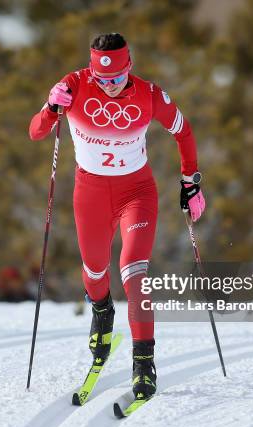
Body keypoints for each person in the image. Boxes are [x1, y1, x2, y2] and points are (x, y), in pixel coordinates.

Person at [28, 33, 205, 401]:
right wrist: (49, 107)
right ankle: (102, 310)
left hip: (136, 193)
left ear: (130, 67)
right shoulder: (73, 86)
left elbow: (183, 132)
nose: (111, 87)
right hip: (90, 195)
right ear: (93, 71)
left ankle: (144, 364)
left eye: (118, 78)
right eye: (103, 80)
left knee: (133, 271)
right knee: (94, 273)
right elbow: (36, 132)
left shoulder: (149, 94)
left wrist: (191, 182)